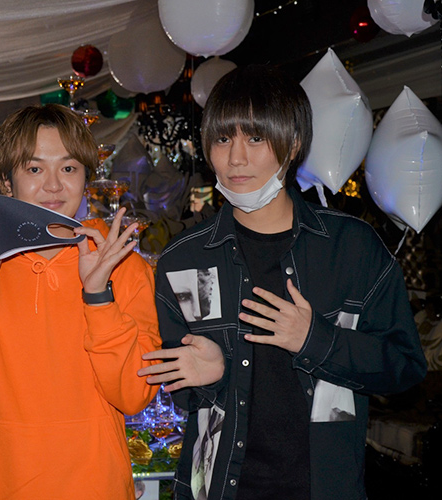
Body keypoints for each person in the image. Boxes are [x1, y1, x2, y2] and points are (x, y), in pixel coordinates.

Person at [138, 65, 427, 500]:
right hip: (217, 488)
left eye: (255, 138)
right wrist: (212, 378)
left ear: (292, 144)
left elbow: (404, 368)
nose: (236, 158)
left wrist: (316, 340)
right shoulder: (183, 260)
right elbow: (181, 398)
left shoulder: (350, 247)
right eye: (222, 139)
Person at [0, 103, 161, 499]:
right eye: (34, 169)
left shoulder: (122, 265)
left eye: (69, 168)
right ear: (6, 182)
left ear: (86, 176)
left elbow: (133, 395)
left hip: (96, 485)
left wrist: (98, 296)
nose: (54, 186)